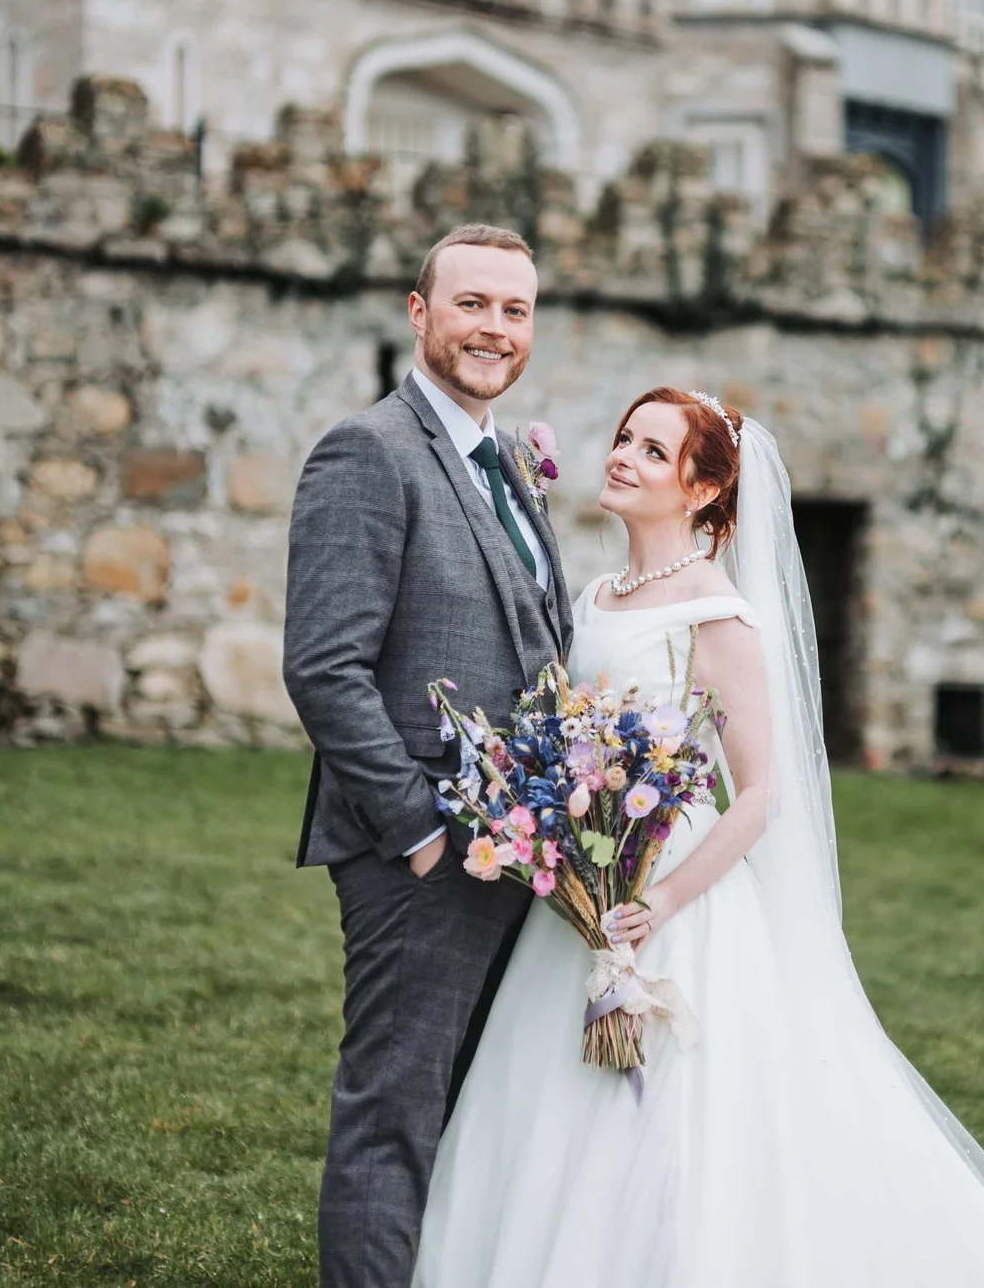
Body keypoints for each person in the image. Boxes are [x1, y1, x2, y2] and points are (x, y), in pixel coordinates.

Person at [412, 387, 984, 1288]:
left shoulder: (716, 615)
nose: (624, 457)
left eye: (654, 452)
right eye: (624, 439)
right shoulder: (596, 592)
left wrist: (661, 901)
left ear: (699, 492)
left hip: (674, 900)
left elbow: (759, 793)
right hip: (585, 889)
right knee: (543, 1101)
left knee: (676, 1125)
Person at [283, 223, 573, 1288]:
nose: (494, 327)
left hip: (518, 856)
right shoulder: (369, 451)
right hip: (421, 857)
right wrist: (415, 833)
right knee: (394, 1113)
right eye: (472, 303)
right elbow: (323, 666)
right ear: (419, 313)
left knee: (474, 1110)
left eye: (515, 308)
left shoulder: (507, 463)